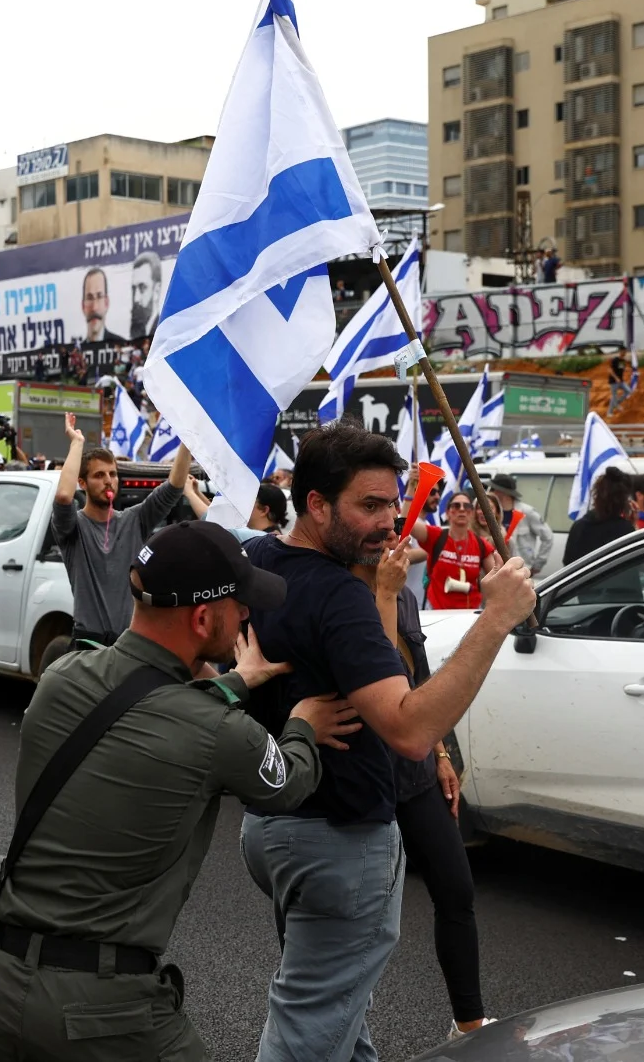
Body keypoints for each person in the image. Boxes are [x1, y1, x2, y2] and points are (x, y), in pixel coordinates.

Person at [0, 521, 360, 1062]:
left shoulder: (61, 677)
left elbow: (143, 701)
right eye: (241, 605)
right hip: (105, 1014)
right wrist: (304, 724)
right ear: (204, 617)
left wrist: (237, 680)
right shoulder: (218, 731)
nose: (249, 615)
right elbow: (287, 783)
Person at [239, 419, 535, 1062]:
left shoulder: (259, 558)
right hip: (337, 840)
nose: (388, 521)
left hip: (271, 822)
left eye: (394, 503)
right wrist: (496, 619)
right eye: (369, 506)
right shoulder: (338, 593)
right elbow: (408, 726)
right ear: (316, 503)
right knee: (310, 1031)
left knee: (340, 1020)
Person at [362, 523, 485, 1038]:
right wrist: (385, 593)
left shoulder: (404, 598)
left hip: (414, 772)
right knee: (360, 917)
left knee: (456, 889)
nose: (392, 535)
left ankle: (469, 1023)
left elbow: (419, 680)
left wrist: (440, 753)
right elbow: (381, 673)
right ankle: (340, 1028)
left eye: (395, 519)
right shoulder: (348, 594)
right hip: (365, 776)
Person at [53, 412, 188, 645]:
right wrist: (77, 442)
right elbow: (64, 495)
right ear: (82, 483)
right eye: (99, 475)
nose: (109, 480)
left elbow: (175, 487)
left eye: (113, 474)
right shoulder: (73, 528)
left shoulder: (134, 519)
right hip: (89, 645)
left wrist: (188, 438)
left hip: (129, 644)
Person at [414, 491, 496, 611]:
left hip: (470, 613)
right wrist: (411, 491)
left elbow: (497, 578)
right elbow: (407, 524)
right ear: (447, 513)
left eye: (467, 506)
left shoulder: (481, 544)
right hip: (437, 612)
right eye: (456, 506)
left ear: (472, 513)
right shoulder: (436, 535)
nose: (462, 509)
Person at [562, 466, 636, 566]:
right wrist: (634, 525)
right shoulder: (625, 530)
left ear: (596, 495)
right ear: (624, 500)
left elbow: (567, 564)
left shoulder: (579, 526)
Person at [489, 474, 553, 573]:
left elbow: (548, 537)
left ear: (503, 493)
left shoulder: (527, 512)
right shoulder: (492, 512)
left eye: (493, 489)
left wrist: (537, 565)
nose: (490, 492)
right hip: (496, 569)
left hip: (520, 569)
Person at [81, 268, 126, 344]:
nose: (94, 307)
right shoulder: (77, 352)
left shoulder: (121, 345)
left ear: (106, 303)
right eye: (89, 298)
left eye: (99, 296)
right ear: (83, 306)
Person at [129, 251, 163, 339]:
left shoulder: (164, 332)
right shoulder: (136, 335)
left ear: (156, 290)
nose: (136, 299)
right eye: (134, 289)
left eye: (142, 288)